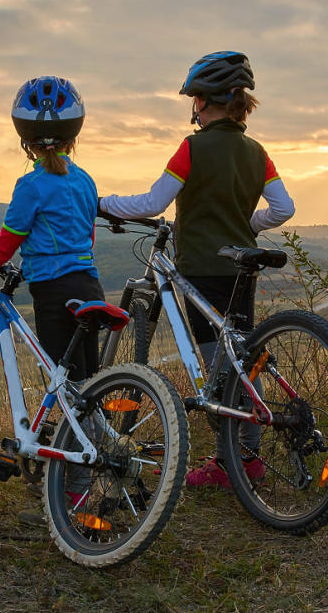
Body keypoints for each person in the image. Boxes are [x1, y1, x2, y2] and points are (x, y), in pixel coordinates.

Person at [99, 51, 295, 488]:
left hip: (201, 269)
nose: (193, 108)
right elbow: (284, 208)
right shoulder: (256, 152)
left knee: (220, 368)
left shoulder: (193, 147)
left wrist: (103, 203)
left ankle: (233, 464)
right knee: (243, 361)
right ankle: (248, 458)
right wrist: (248, 225)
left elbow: (152, 204)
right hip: (242, 269)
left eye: (194, 100)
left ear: (203, 102)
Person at [0, 76, 102, 381]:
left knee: (63, 387)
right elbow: (85, 239)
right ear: (73, 138)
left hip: (54, 294)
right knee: (89, 383)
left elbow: (3, 249)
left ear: (27, 142)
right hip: (90, 287)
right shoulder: (86, 181)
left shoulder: (30, 186)